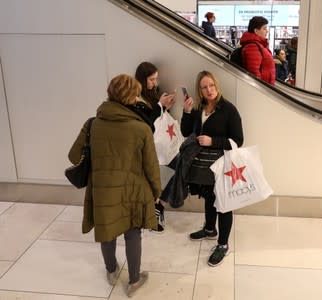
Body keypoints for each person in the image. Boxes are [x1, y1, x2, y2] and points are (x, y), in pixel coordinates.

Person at [68, 74, 161, 297]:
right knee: (132, 234)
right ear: (130, 97)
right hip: (133, 190)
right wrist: (157, 191)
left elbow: (73, 156)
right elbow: (151, 167)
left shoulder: (92, 124)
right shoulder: (141, 129)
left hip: (102, 190)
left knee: (107, 232)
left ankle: (111, 271)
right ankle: (134, 281)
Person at [181, 70, 243, 267]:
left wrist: (212, 141)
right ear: (200, 91)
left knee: (223, 204)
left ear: (217, 85)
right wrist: (187, 112)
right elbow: (185, 132)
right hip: (204, 166)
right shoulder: (200, 108)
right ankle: (209, 229)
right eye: (204, 87)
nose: (209, 90)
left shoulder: (229, 110)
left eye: (211, 85)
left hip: (223, 165)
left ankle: (223, 245)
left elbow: (238, 141)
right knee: (209, 196)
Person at [128, 61, 177, 233]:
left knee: (182, 167)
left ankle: (160, 205)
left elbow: (159, 122)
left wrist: (165, 108)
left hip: (161, 147)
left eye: (156, 79)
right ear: (142, 79)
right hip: (144, 149)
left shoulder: (152, 93)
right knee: (147, 182)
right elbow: (146, 124)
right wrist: (159, 106)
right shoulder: (134, 97)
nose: (154, 83)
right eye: (151, 79)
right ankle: (150, 214)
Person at [240, 16, 276, 85]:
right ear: (256, 31)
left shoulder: (260, 45)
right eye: (264, 28)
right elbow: (254, 73)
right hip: (263, 88)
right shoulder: (252, 46)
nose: (267, 31)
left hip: (267, 86)